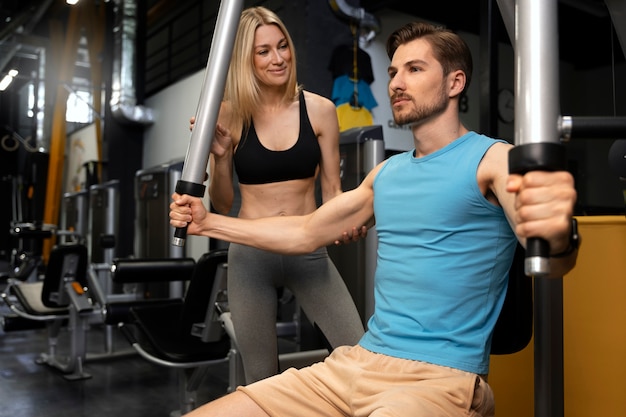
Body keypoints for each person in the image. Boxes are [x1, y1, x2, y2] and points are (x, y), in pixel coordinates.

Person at [170, 21, 579, 416]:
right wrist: (207, 223)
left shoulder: (494, 159)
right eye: (393, 72)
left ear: (455, 83)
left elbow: (551, 248)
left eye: (415, 69)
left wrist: (557, 231)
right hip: (355, 366)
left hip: (435, 380)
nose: (397, 82)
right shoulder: (386, 174)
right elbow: (306, 231)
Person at [191, 6, 365, 384]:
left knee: (357, 355)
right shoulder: (230, 115)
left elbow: (332, 190)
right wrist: (220, 159)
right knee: (261, 378)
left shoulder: (320, 110)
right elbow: (222, 205)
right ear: (247, 60)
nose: (278, 58)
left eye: (282, 46)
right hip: (251, 257)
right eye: (264, 51)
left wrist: (346, 222)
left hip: (309, 250)